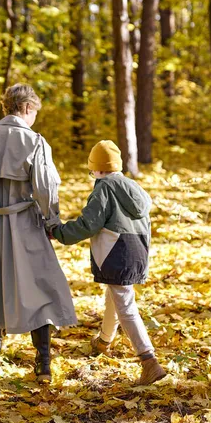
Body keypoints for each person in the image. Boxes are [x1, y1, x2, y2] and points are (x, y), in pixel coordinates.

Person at [0, 84, 77, 382]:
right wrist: (52, 222)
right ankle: (43, 359)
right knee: (39, 284)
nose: (35, 117)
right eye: (35, 111)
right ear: (26, 108)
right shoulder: (34, 141)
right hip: (22, 223)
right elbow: (45, 188)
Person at [49, 140, 166, 386]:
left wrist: (59, 232)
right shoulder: (134, 187)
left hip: (116, 251)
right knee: (114, 295)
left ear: (97, 169)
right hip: (138, 251)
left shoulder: (103, 188)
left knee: (125, 305)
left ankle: (149, 360)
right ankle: (103, 341)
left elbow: (88, 224)